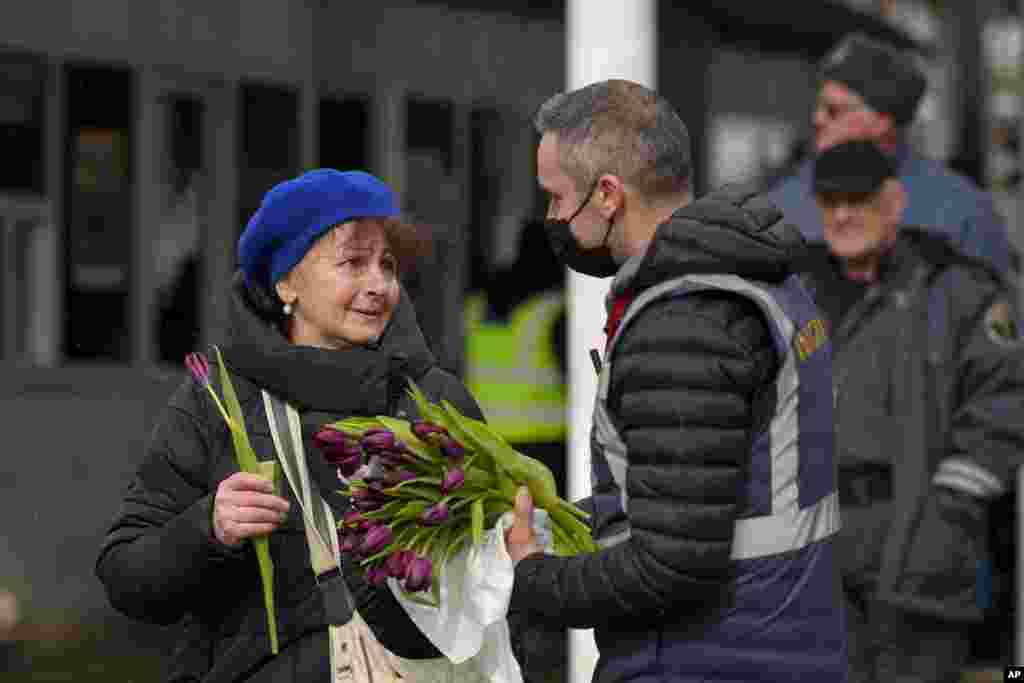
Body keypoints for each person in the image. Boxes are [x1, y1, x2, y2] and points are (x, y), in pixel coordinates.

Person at [504, 79, 847, 682]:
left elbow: (672, 564)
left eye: (556, 197)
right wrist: (569, 523)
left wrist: (533, 577)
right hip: (782, 641)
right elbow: (715, 490)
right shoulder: (758, 276)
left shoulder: (684, 319)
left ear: (607, 194)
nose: (553, 218)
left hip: (705, 659)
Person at [96, 169, 484, 682]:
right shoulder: (219, 400)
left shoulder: (434, 400)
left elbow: (498, 573)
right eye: (353, 263)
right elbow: (125, 576)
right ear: (286, 283)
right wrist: (207, 527)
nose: (378, 285)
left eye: (386, 265)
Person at [798, 140, 1024, 683]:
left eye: (859, 199)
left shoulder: (956, 289)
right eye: (830, 202)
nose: (844, 214)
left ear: (894, 202)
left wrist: (948, 512)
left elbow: (1006, 398)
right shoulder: (794, 289)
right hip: (813, 551)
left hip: (918, 545)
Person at [768, 32, 1019, 280]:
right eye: (818, 107)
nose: (817, 119)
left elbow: (995, 313)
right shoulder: (784, 204)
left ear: (882, 121)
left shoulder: (961, 212)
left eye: (833, 111)